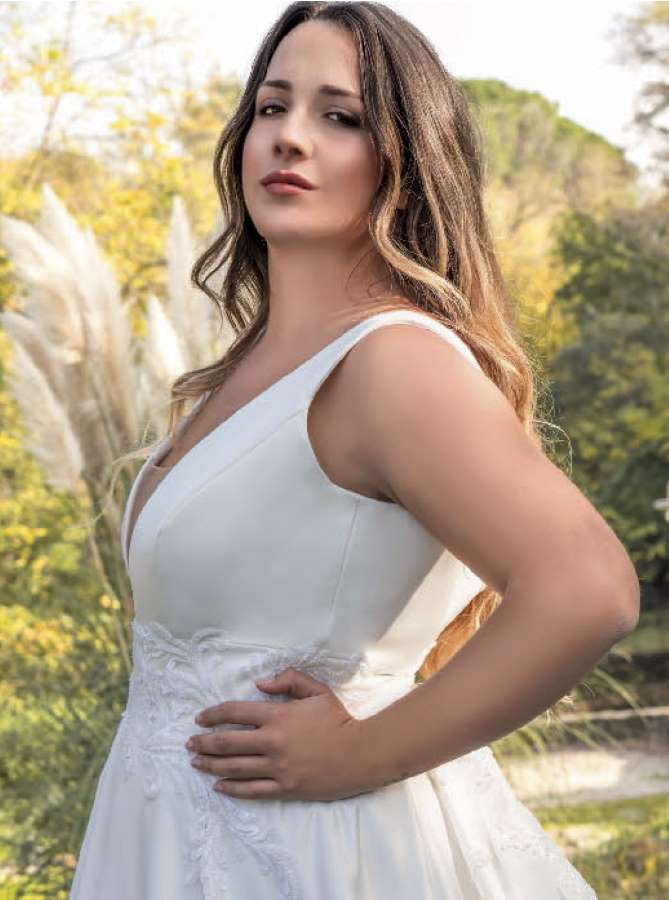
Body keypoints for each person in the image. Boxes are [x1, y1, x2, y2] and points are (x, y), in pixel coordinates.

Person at [69, 2, 639, 897]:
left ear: (407, 161)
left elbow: (588, 590)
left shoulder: (391, 362)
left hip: (320, 855)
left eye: (340, 117)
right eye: (271, 107)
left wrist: (357, 755)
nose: (289, 137)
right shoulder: (240, 377)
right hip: (167, 845)